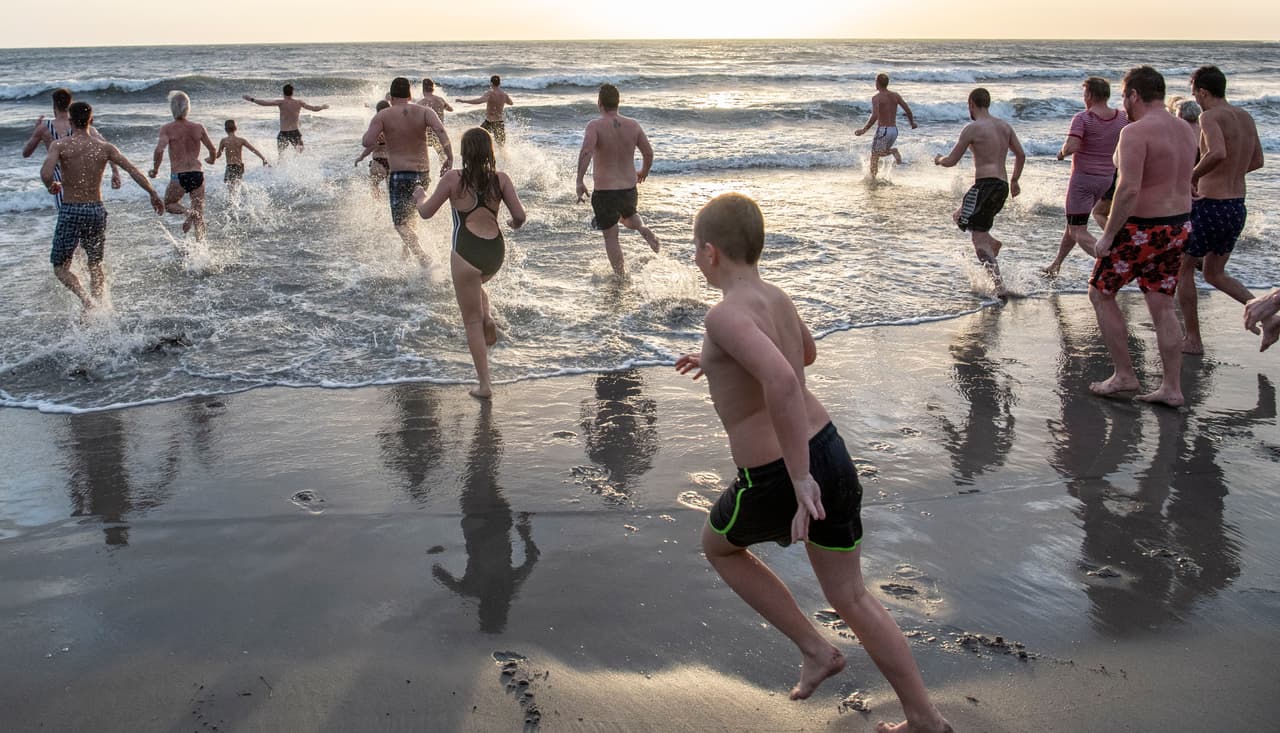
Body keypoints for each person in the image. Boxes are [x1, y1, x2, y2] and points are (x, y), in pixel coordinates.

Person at [675, 192, 951, 733]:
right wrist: (718, 361)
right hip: (830, 449)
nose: (694, 258)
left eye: (693, 250)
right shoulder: (775, 297)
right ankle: (924, 717)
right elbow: (803, 354)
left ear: (710, 253)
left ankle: (815, 648)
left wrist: (799, 479)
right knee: (851, 595)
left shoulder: (724, 313)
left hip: (781, 473)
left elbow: (780, 378)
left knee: (720, 548)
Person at [1088, 66, 1198, 407]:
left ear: (1135, 94)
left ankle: (1124, 374)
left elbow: (1127, 190)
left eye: (1124, 96)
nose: (1123, 104)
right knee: (1162, 303)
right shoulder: (1186, 129)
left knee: (1100, 293)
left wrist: (1107, 236)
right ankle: (1172, 388)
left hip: (1141, 229)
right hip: (1178, 226)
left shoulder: (1135, 132)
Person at [411, 127, 526, 399]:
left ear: (465, 152)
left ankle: (485, 385)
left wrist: (419, 196)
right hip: (494, 252)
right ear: (490, 151)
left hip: (466, 251)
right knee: (477, 288)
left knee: (470, 322)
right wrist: (513, 222)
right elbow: (520, 216)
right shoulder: (501, 179)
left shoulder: (454, 179)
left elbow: (426, 213)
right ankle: (486, 315)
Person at [39, 101, 164, 311]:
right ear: (92, 120)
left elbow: (45, 173)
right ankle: (99, 310)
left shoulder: (60, 145)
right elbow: (133, 170)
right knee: (95, 264)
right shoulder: (104, 147)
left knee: (60, 267)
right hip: (96, 210)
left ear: (70, 121)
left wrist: (51, 185)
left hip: (71, 210)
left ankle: (86, 301)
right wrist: (152, 193)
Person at [1176, 65, 1265, 355]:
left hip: (1212, 204)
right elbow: (1257, 161)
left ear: (1203, 91)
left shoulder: (1209, 116)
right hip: (1237, 205)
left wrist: (1193, 176)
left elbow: (1216, 153)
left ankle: (1193, 340)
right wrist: (1230, 174)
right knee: (1214, 274)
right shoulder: (1245, 117)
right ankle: (1270, 316)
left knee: (1183, 267)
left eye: (1195, 94)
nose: (1195, 99)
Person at [934, 87, 1025, 298]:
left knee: (978, 240)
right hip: (1001, 186)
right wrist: (1014, 180)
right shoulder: (1004, 126)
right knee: (959, 217)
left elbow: (951, 161)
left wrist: (939, 159)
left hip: (985, 185)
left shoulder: (972, 128)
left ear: (971, 104)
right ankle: (991, 241)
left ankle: (999, 286)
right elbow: (1020, 155)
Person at [361, 77, 453, 262]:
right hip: (423, 172)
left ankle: (421, 255)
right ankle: (407, 248)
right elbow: (440, 131)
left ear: (392, 96)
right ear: (410, 94)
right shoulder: (425, 111)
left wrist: (379, 126)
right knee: (411, 212)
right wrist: (449, 157)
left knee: (400, 223)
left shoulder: (383, 115)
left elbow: (367, 141)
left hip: (400, 174)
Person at [1044, 77, 1127, 277]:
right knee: (1074, 224)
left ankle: (1111, 263)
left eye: (1084, 94)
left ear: (1089, 95)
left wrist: (1062, 153)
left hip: (1083, 181)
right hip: (1107, 179)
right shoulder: (1122, 117)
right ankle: (1056, 264)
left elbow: (1071, 146)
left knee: (1077, 230)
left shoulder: (1083, 118)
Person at [576, 83, 660, 277]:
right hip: (629, 189)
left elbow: (587, 152)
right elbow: (648, 152)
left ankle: (621, 277)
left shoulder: (594, 125)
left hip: (605, 192)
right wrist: (643, 172)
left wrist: (579, 181)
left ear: (599, 103)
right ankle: (643, 228)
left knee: (611, 237)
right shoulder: (633, 125)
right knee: (628, 216)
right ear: (618, 103)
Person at [22, 87, 121, 205]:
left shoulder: (44, 128)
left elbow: (26, 153)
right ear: (70, 104)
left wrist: (37, 131)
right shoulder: (84, 128)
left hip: (59, 180)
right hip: (82, 175)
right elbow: (107, 148)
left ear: (54, 105)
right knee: (84, 210)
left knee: (66, 214)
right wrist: (115, 171)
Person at [150, 91, 217, 239]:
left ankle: (188, 213)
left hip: (178, 176)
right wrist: (211, 160)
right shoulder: (198, 127)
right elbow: (212, 149)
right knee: (200, 215)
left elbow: (159, 149)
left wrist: (155, 170)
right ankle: (202, 249)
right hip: (197, 174)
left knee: (169, 204)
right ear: (188, 108)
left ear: (172, 108)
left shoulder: (167, 128)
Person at [853, 73, 918, 179]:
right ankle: (890, 155)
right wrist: (912, 123)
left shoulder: (876, 98)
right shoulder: (895, 95)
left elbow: (875, 116)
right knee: (879, 153)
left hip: (883, 130)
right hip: (894, 130)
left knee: (874, 155)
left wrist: (864, 130)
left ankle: (873, 179)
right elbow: (908, 110)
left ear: (877, 83)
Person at [242, 84, 329, 155]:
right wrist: (322, 107)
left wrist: (252, 99)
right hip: (295, 133)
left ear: (283, 93)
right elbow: (313, 108)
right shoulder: (298, 103)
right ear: (292, 93)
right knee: (301, 154)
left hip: (283, 134)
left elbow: (265, 103)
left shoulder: (281, 102)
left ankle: (279, 173)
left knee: (281, 156)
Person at [210, 119, 269, 194]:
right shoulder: (241, 140)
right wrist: (263, 158)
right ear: (236, 128)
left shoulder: (224, 141)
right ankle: (238, 202)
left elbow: (218, 155)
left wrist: (211, 158)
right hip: (239, 166)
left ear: (225, 129)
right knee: (237, 186)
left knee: (230, 189)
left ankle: (232, 204)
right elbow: (253, 150)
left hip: (230, 166)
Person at [456, 75, 514, 147]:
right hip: (499, 123)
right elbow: (511, 103)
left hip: (489, 123)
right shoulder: (504, 94)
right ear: (499, 83)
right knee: (501, 146)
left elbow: (479, 101)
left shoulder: (490, 93)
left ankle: (478, 155)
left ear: (491, 83)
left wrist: (463, 101)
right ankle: (502, 158)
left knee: (476, 139)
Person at [355, 100, 392, 199]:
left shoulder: (377, 126)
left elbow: (371, 146)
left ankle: (378, 210)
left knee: (374, 185)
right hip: (393, 163)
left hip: (378, 162)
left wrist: (361, 157)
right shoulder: (394, 125)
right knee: (392, 192)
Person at [418, 78, 454, 159]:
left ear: (423, 89)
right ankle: (444, 170)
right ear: (432, 88)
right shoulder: (440, 100)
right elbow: (450, 109)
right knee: (442, 155)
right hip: (439, 132)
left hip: (427, 133)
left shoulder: (420, 103)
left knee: (420, 154)